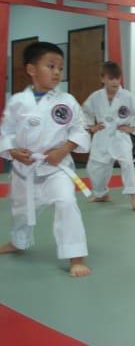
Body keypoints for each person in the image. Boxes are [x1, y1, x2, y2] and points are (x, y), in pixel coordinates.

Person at [0, 41, 91, 277]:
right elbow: (6, 131)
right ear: (31, 69)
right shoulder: (18, 101)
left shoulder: (67, 100)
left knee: (66, 202)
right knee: (20, 209)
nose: (57, 72)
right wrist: (12, 151)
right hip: (24, 168)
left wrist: (63, 150)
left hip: (56, 168)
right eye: (50, 66)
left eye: (60, 68)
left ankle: (75, 256)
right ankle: (19, 242)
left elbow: (80, 129)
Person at [83, 61, 135, 212]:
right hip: (101, 136)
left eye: (117, 78)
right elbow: (85, 112)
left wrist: (132, 128)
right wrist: (91, 127)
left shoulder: (127, 96)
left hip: (120, 137)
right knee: (94, 168)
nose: (115, 82)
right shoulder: (95, 97)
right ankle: (101, 194)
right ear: (102, 79)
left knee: (128, 165)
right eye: (111, 78)